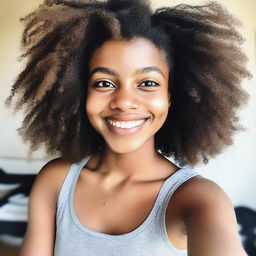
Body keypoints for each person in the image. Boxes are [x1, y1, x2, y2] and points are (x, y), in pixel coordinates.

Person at [5, 0, 251, 255]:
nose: (123, 102)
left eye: (147, 83)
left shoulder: (198, 199)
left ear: (170, 95)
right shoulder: (56, 180)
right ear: (79, 92)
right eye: (103, 83)